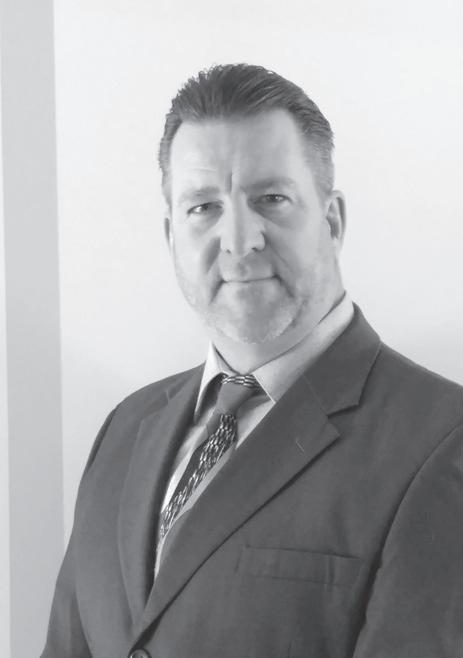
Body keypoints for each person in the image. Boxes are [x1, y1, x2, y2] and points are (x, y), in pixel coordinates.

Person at [41, 64, 463, 658]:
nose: (240, 239)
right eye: (203, 207)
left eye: (271, 199)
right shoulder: (124, 429)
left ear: (332, 221)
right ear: (171, 236)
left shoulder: (442, 440)